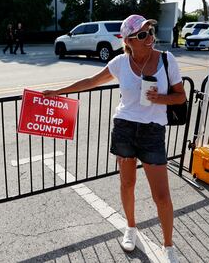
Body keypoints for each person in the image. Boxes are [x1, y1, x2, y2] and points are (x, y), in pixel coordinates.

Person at [43, 14, 186, 263]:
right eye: (142, 34)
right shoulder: (120, 62)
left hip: (152, 131)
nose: (150, 37)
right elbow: (91, 81)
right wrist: (57, 92)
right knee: (127, 184)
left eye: (150, 31)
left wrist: (160, 99)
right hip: (124, 128)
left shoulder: (166, 59)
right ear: (128, 40)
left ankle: (168, 245)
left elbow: (181, 97)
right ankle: (130, 227)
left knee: (161, 195)